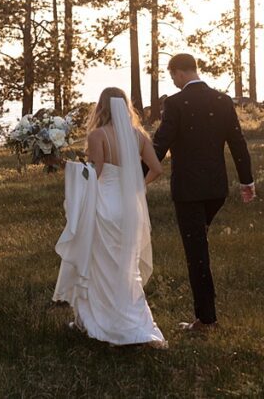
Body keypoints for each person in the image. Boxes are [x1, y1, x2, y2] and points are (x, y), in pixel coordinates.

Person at [52, 87, 167, 348]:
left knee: (102, 266)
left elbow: (93, 173)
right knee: (126, 268)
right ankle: (136, 324)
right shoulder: (137, 135)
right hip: (130, 208)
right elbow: (157, 169)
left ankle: (103, 323)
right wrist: (137, 186)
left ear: (101, 107)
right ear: (125, 106)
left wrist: (62, 164)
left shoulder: (98, 135)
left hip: (106, 206)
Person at [151, 53, 255, 333]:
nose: (172, 80)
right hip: (216, 189)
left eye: (172, 75)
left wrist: (136, 176)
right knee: (199, 246)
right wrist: (247, 181)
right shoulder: (222, 100)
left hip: (188, 191)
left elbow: (160, 144)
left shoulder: (174, 103)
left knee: (196, 252)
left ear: (180, 73)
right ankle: (206, 315)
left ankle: (206, 320)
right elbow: (237, 141)